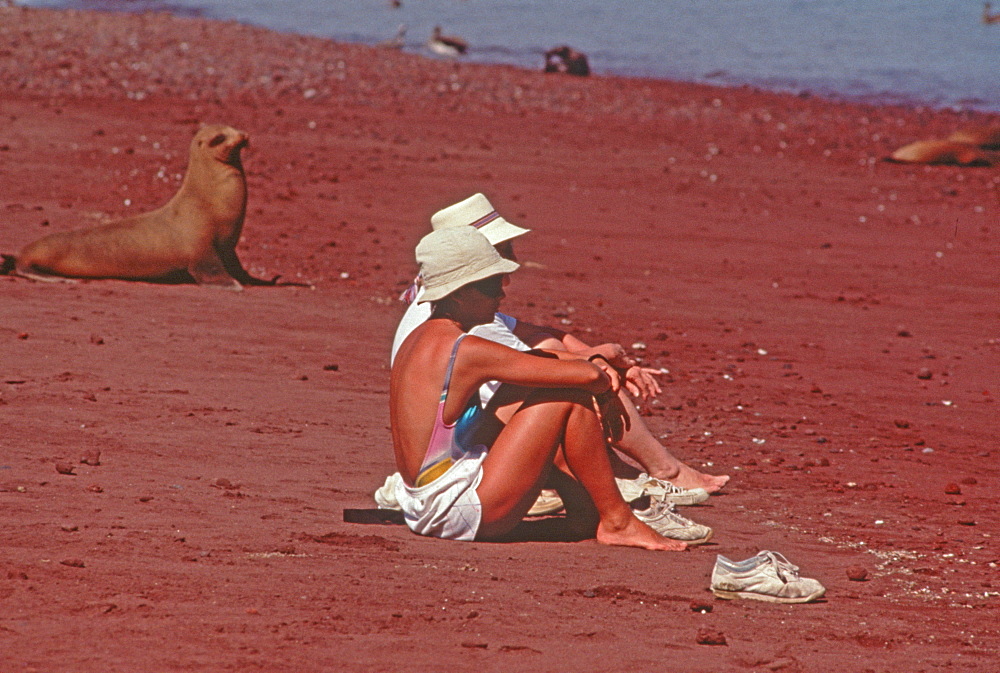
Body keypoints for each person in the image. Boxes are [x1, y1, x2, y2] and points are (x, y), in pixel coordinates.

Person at [389, 193, 729, 496]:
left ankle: (638, 476)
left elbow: (538, 335)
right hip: (458, 456)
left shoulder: (449, 305)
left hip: (450, 442)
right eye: (503, 252)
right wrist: (601, 363)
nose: (512, 265)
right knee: (572, 388)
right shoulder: (470, 326)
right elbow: (543, 365)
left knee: (579, 369)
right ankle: (646, 476)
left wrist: (596, 356)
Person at [390, 226, 695, 550]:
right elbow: (584, 377)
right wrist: (605, 385)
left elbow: (531, 361)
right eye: (491, 284)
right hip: (454, 512)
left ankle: (588, 514)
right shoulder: (464, 350)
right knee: (570, 397)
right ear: (458, 293)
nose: (501, 294)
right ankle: (618, 521)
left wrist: (595, 360)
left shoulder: (421, 338)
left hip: (424, 507)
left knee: (537, 389)